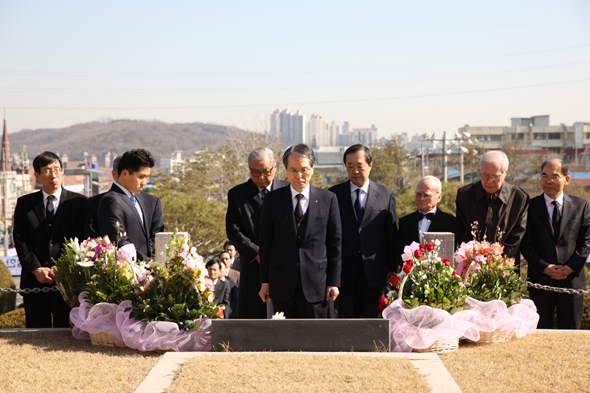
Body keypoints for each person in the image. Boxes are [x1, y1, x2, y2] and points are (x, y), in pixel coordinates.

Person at [259, 144, 341, 319]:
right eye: (293, 170)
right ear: (286, 170)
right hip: (282, 284)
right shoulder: (272, 200)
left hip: (317, 285)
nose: (299, 176)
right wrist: (265, 282)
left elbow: (335, 244)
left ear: (312, 168)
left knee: (315, 340)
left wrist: (334, 282)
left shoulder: (328, 199)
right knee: (283, 341)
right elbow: (266, 243)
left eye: (304, 169)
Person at [13, 151, 87, 327]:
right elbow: (20, 240)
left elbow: (84, 240)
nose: (53, 175)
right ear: (37, 175)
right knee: (36, 334)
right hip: (34, 282)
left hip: (68, 282)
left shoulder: (80, 203)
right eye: (47, 170)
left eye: (56, 169)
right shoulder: (25, 204)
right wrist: (36, 269)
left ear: (62, 171)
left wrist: (62, 266)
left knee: (67, 335)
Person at [328, 144, 397, 318]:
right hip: (344, 272)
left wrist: (392, 269)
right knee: (346, 321)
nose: (355, 171)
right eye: (350, 166)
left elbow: (391, 235)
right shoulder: (333, 195)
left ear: (370, 165)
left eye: (360, 166)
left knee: (373, 320)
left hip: (375, 272)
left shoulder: (385, 195)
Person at [520, 159, 590, 329]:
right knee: (539, 333)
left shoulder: (581, 206)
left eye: (554, 176)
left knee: (571, 334)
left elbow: (585, 241)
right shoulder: (529, 207)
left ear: (566, 179)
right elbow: (525, 243)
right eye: (544, 176)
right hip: (540, 280)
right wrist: (544, 267)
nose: (548, 181)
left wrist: (570, 267)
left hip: (572, 282)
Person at [225, 147, 289, 318]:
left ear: (275, 167)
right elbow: (233, 230)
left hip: (284, 264)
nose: (261, 177)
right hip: (253, 265)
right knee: (254, 315)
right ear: (249, 170)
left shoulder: (288, 190)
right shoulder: (237, 194)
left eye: (266, 171)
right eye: (255, 172)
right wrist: (256, 252)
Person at [455, 150, 529, 261]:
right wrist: (477, 257)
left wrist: (495, 260)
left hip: (505, 266)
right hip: (471, 265)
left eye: (495, 176)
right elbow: (462, 232)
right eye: (485, 175)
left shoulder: (519, 197)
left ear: (506, 172)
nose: (489, 181)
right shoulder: (465, 195)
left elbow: (517, 237)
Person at [97, 149, 160, 261]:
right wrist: (147, 262)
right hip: (129, 270)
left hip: (146, 272)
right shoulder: (112, 200)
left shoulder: (137, 197)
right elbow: (120, 242)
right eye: (141, 177)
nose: (144, 182)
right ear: (125, 174)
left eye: (146, 177)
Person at [397, 176, 458, 267]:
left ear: (439, 197)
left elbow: (451, 253)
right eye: (418, 194)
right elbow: (398, 250)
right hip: (410, 275)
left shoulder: (450, 221)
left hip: (439, 276)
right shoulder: (404, 221)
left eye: (426, 195)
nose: (421, 198)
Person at [219, 253, 239, 319]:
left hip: (230, 314)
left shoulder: (233, 280)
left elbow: (235, 299)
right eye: (222, 259)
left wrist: (229, 312)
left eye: (226, 259)